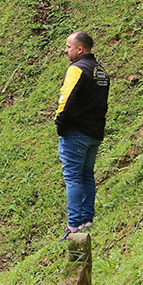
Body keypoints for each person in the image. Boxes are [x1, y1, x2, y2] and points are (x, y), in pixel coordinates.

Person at [55, 30, 109, 238]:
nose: (65, 50)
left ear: (80, 49)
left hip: (76, 131)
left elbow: (66, 99)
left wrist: (60, 123)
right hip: (94, 132)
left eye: (68, 47)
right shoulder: (100, 71)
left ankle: (74, 225)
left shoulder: (77, 69)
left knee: (73, 177)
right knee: (87, 175)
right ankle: (87, 220)